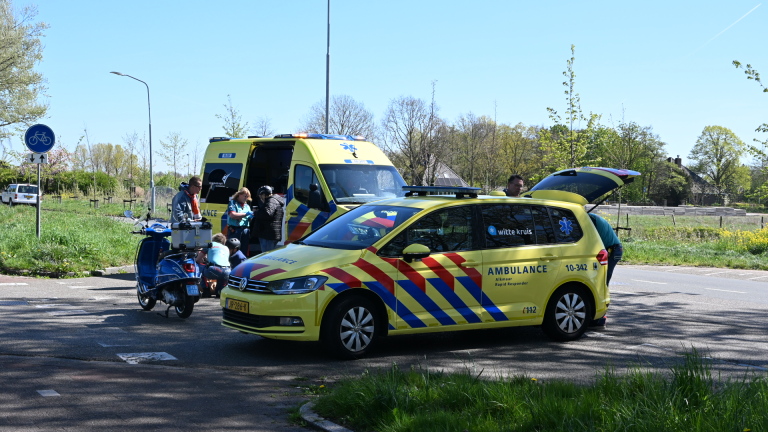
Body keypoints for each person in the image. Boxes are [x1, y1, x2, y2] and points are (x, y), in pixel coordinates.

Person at [588, 212, 623, 327]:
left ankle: (601, 316)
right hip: (611, 248)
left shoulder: (589, 220)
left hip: (613, 250)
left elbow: (592, 239)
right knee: (600, 281)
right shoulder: (591, 216)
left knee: (603, 282)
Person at [197, 233, 230, 298]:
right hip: (227, 271)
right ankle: (219, 291)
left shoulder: (209, 245)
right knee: (221, 277)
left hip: (214, 269)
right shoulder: (226, 248)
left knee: (198, 267)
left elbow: (198, 259)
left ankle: (206, 290)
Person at [254, 185, 284, 253]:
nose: (260, 198)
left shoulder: (271, 201)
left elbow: (267, 214)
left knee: (266, 256)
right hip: (271, 234)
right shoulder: (275, 201)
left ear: (264, 194)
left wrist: (255, 212)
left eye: (260, 195)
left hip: (267, 235)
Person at [226, 187, 253, 257]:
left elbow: (249, 219)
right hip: (235, 230)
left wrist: (252, 217)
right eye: (245, 196)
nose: (246, 198)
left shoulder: (247, 206)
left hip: (245, 230)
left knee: (244, 250)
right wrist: (246, 214)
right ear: (239, 195)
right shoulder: (233, 203)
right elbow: (233, 215)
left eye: (247, 197)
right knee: (233, 250)